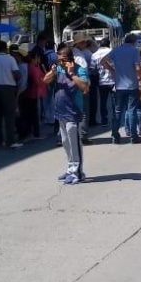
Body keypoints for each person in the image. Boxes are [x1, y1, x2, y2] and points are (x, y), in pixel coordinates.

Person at [44, 45, 89, 185]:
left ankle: (78, 172)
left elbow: (85, 87)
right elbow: (45, 80)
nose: (61, 63)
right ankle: (70, 169)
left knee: (74, 142)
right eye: (59, 60)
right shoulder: (58, 69)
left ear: (70, 59)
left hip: (73, 112)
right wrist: (52, 72)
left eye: (63, 60)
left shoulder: (79, 69)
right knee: (65, 142)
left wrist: (72, 74)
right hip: (60, 111)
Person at [106, 33, 141, 144]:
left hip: (119, 86)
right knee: (131, 110)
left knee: (118, 111)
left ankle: (115, 135)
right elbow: (138, 68)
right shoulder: (134, 51)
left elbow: (103, 61)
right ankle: (133, 136)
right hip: (132, 85)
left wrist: (112, 70)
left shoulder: (116, 50)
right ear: (134, 42)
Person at [17, 50, 46, 141]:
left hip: (29, 93)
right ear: (34, 58)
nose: (39, 59)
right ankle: (34, 133)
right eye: (38, 58)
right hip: (32, 93)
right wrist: (44, 80)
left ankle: (29, 133)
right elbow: (37, 81)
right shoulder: (32, 68)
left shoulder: (29, 66)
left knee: (29, 114)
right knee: (33, 114)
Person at [91, 38, 114, 126]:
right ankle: (115, 119)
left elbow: (92, 69)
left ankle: (104, 120)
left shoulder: (94, 55)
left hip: (102, 82)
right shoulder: (112, 52)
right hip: (113, 81)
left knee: (103, 101)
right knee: (115, 102)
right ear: (109, 44)